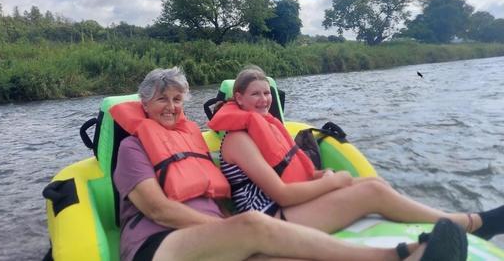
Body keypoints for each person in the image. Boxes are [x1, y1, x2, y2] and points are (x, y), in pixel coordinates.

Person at [113, 67, 468, 261]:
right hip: (157, 246)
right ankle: (395, 257)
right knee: (253, 227)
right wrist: (227, 225)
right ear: (144, 104)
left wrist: (224, 223)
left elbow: (216, 194)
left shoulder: (190, 139)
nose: (172, 107)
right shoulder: (133, 148)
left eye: (177, 99)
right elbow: (159, 210)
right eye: (162, 99)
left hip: (208, 238)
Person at [208, 65, 504, 243]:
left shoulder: (265, 128)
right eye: (255, 94)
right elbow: (282, 194)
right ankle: (469, 224)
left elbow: (288, 171)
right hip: (269, 219)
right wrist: (335, 181)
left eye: (266, 93)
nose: (264, 100)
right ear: (238, 99)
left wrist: (320, 175)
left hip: (283, 207)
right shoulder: (237, 140)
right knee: (369, 193)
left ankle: (444, 223)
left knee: (373, 184)